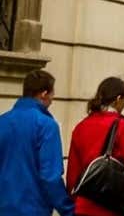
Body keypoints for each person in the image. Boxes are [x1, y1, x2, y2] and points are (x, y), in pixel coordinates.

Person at [67, 77, 124, 216]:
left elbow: (73, 174)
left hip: (83, 206)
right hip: (112, 206)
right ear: (118, 99)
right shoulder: (123, 127)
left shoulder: (81, 127)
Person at [0, 70, 74, 216]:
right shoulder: (47, 125)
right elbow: (50, 177)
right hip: (33, 209)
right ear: (44, 94)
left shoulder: (2, 121)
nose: (53, 99)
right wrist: (68, 210)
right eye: (52, 94)